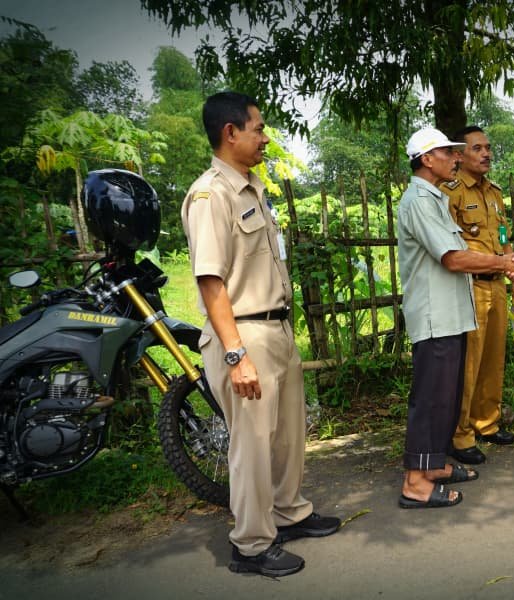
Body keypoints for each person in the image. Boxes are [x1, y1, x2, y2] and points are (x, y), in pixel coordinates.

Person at [181, 91, 339, 578]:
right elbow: (211, 282)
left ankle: (288, 513)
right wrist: (235, 354)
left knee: (288, 435)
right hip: (243, 334)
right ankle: (250, 545)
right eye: (258, 128)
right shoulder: (211, 195)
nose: (265, 137)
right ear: (231, 133)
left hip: (276, 328)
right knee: (250, 445)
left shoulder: (252, 189)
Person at [396, 126, 514, 509]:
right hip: (436, 315)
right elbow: (453, 257)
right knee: (430, 399)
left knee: (446, 396)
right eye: (448, 153)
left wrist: (503, 263)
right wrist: (505, 262)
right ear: (427, 159)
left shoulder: (432, 197)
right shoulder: (420, 201)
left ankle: (433, 466)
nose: (455, 158)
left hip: (451, 314)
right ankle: (415, 483)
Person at [443, 126, 514, 465]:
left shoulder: (494, 192)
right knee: (469, 362)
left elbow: (503, 235)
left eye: (488, 147)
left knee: (493, 357)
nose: (487, 153)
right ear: (459, 155)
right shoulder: (451, 192)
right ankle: (460, 435)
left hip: (498, 284)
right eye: (478, 148)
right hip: (470, 286)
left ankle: (487, 423)